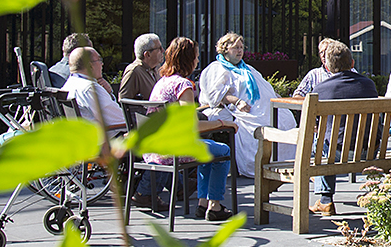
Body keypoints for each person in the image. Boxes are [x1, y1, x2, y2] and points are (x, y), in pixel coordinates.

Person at [146, 37, 235, 221]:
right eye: (195, 57)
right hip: (172, 150)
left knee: (208, 149)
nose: (197, 61)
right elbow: (192, 125)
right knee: (223, 150)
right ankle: (215, 205)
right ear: (188, 60)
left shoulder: (162, 82)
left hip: (153, 147)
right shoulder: (183, 85)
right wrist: (221, 124)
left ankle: (203, 204)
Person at [306, 40, 380, 217]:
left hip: (337, 153)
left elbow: (315, 124)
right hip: (369, 151)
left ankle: (325, 200)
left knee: (321, 140)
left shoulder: (321, 89)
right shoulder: (369, 85)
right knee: (327, 139)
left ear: (328, 67)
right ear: (352, 63)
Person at [198, 32, 285, 179]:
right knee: (257, 124)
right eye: (235, 48)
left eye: (241, 47)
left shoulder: (247, 68)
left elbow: (264, 86)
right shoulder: (217, 68)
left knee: (284, 118)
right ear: (225, 49)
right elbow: (216, 95)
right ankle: (258, 164)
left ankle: (281, 163)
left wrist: (277, 97)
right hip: (236, 108)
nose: (239, 51)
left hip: (261, 105)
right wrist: (236, 101)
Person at [63, 47, 126, 131]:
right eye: (99, 60)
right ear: (90, 66)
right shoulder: (90, 88)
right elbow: (121, 120)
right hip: (105, 140)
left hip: (80, 138)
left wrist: (109, 93)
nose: (102, 64)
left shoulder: (68, 85)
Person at [119, 33, 164, 101]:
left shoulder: (157, 67)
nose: (163, 50)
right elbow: (124, 102)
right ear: (147, 54)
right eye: (159, 48)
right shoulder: (134, 71)